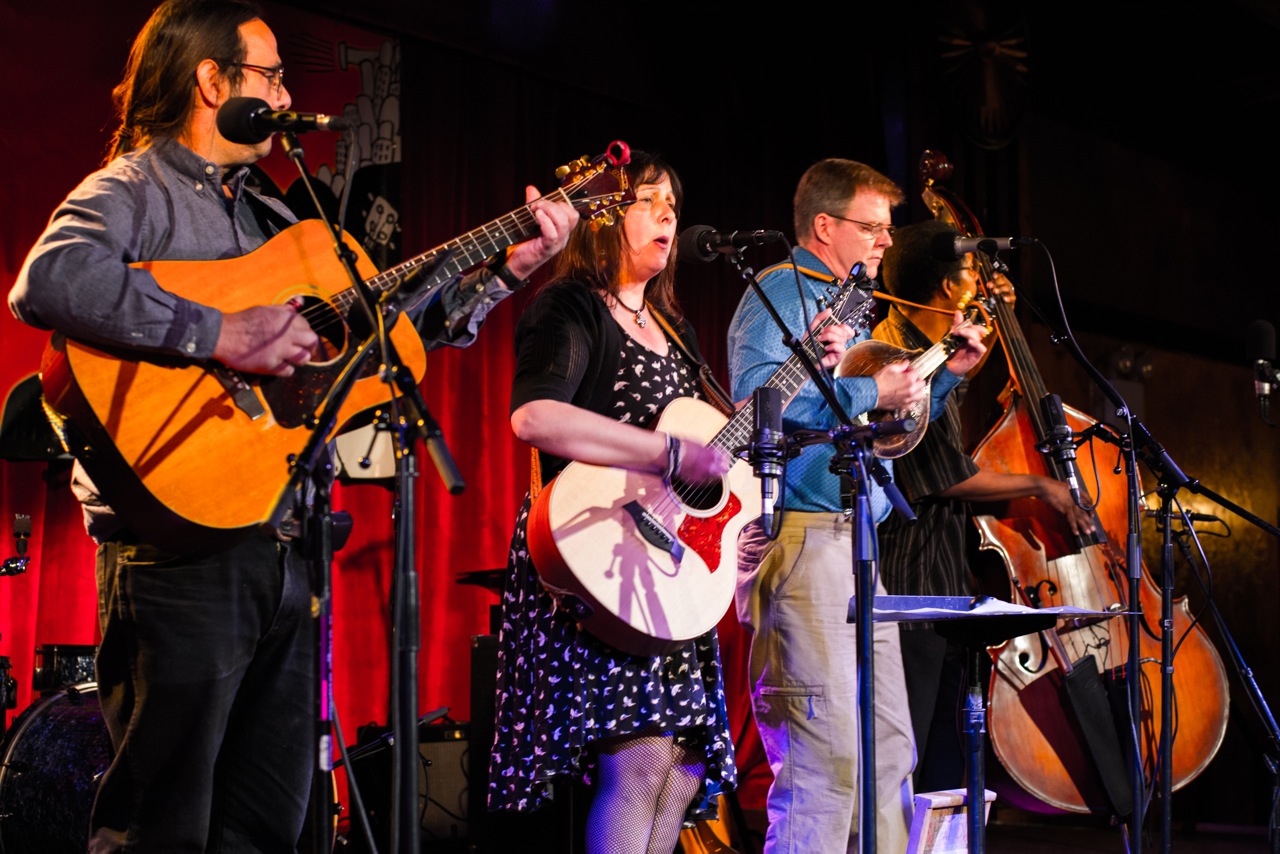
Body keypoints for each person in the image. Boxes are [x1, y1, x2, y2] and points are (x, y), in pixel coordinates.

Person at [7, 1, 577, 849]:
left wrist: (503, 273)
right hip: (177, 549)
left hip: (286, 541)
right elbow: (49, 281)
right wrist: (218, 332)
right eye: (271, 75)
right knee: (161, 826)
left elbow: (388, 331)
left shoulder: (277, 217)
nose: (284, 95)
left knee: (267, 824)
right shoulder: (136, 187)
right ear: (213, 81)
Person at [725, 158, 986, 853]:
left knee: (889, 754)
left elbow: (877, 430)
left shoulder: (846, 304)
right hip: (804, 539)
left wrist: (944, 378)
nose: (885, 241)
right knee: (825, 762)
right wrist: (874, 391)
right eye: (872, 227)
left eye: (886, 229)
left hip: (856, 546)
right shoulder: (781, 292)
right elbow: (758, 406)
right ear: (823, 226)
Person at [488, 151, 737, 854]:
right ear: (602, 217)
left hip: (667, 574)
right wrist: (666, 452)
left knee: (681, 773)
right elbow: (535, 417)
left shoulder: (677, 332)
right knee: (641, 762)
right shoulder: (569, 307)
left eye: (673, 205)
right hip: (592, 560)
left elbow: (706, 458)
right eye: (648, 200)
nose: (667, 215)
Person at [874, 219, 1095, 792]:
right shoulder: (894, 360)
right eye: (972, 273)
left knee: (941, 770)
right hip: (912, 587)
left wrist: (994, 328)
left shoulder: (923, 348)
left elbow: (957, 384)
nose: (977, 282)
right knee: (912, 764)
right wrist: (1043, 487)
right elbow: (942, 475)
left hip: (939, 581)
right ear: (949, 287)